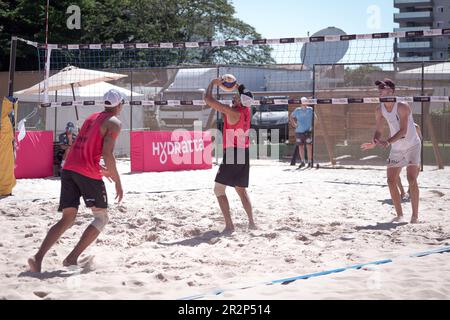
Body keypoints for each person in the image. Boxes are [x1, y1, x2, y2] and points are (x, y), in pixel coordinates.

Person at [28, 89, 125, 272]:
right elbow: (107, 153)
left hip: (69, 169)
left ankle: (37, 257)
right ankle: (71, 258)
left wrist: (101, 170)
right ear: (119, 105)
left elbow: (83, 148)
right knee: (101, 218)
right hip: (86, 172)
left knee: (67, 218)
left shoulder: (91, 117)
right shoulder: (114, 123)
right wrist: (118, 181)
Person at [361, 79, 421, 224]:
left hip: (412, 144)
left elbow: (403, 131)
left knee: (411, 179)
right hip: (397, 148)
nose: (380, 89)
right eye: (379, 88)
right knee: (390, 180)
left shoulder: (402, 106)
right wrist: (374, 141)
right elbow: (379, 129)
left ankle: (415, 216)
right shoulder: (379, 109)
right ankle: (399, 215)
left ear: (392, 91)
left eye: (384, 87)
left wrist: (387, 142)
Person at [204, 77, 256, 233]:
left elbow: (208, 99)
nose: (234, 96)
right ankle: (252, 223)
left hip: (233, 153)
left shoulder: (233, 112)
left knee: (218, 190)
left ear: (240, 101)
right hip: (244, 153)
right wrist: (235, 85)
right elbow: (243, 94)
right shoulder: (246, 109)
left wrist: (213, 83)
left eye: (236, 96)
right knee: (241, 189)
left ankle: (229, 225)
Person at [397, 122, 423, 201]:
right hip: (400, 151)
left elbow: (420, 139)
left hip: (412, 151)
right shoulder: (397, 126)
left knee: (415, 171)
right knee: (395, 172)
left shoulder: (415, 127)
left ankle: (409, 191)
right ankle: (402, 192)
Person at [290, 97, 314, 168]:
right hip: (299, 131)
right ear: (301, 103)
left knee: (309, 146)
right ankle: (303, 161)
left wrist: (313, 127)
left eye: (305, 103)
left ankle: (309, 162)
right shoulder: (297, 110)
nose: (304, 105)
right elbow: (291, 117)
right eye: (303, 103)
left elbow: (315, 118)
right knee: (301, 146)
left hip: (308, 131)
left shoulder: (310, 109)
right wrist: (294, 124)